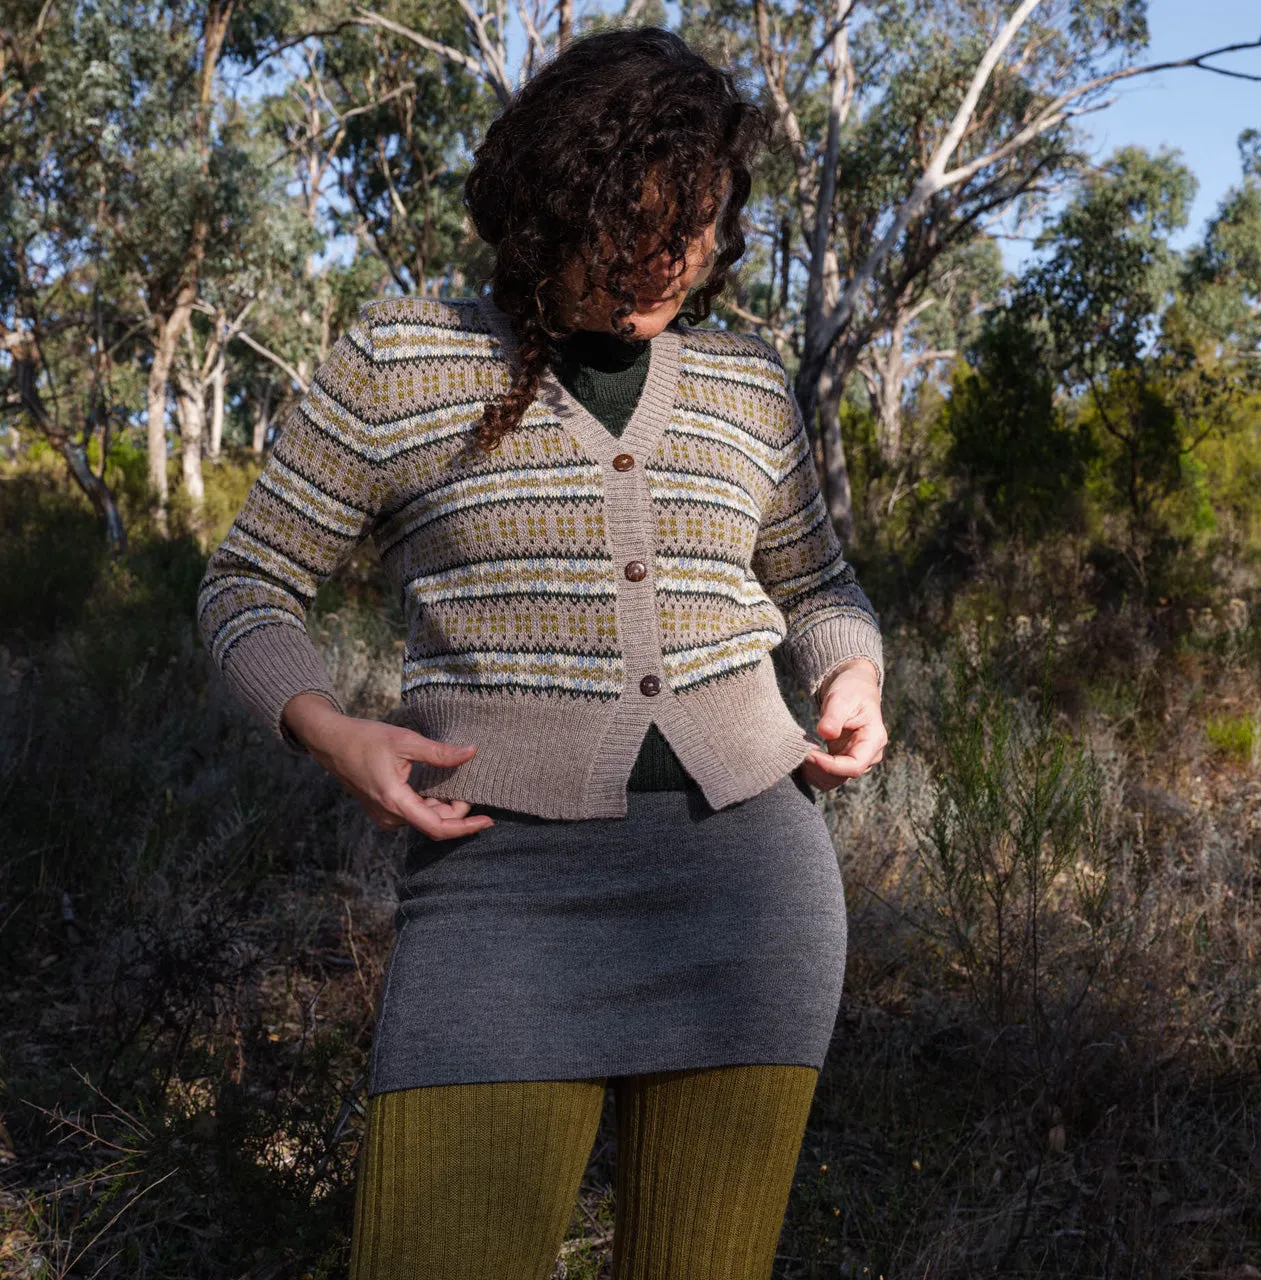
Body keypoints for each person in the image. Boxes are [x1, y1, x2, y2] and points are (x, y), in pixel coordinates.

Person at [196, 25, 887, 1280]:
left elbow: (818, 581)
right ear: (547, 204)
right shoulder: (401, 363)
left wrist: (852, 675)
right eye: (633, 224)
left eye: (700, 228)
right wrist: (326, 724)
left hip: (751, 892)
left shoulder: (746, 383)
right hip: (498, 895)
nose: (668, 262)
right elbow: (246, 580)